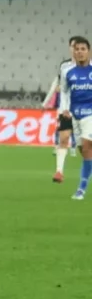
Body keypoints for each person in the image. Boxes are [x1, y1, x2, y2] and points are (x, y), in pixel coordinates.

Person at [58, 36, 92, 200]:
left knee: (86, 147)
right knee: (84, 152)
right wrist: (65, 108)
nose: (79, 52)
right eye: (77, 49)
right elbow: (64, 91)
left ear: (89, 51)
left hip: (90, 114)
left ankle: (81, 189)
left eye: (83, 49)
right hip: (75, 115)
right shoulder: (67, 71)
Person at [44, 37, 82, 183]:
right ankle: (59, 172)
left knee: (85, 144)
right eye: (73, 46)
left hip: (85, 110)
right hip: (66, 110)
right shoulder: (64, 66)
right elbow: (62, 89)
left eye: (79, 47)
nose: (76, 50)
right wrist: (63, 107)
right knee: (64, 138)